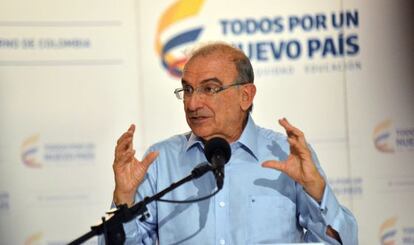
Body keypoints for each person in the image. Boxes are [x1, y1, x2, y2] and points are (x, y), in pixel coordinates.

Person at [108, 42, 358, 244]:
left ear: (245, 95)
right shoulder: (161, 160)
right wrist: (124, 199)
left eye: (209, 89)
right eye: (188, 89)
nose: (193, 104)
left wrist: (317, 191)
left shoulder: (284, 154)